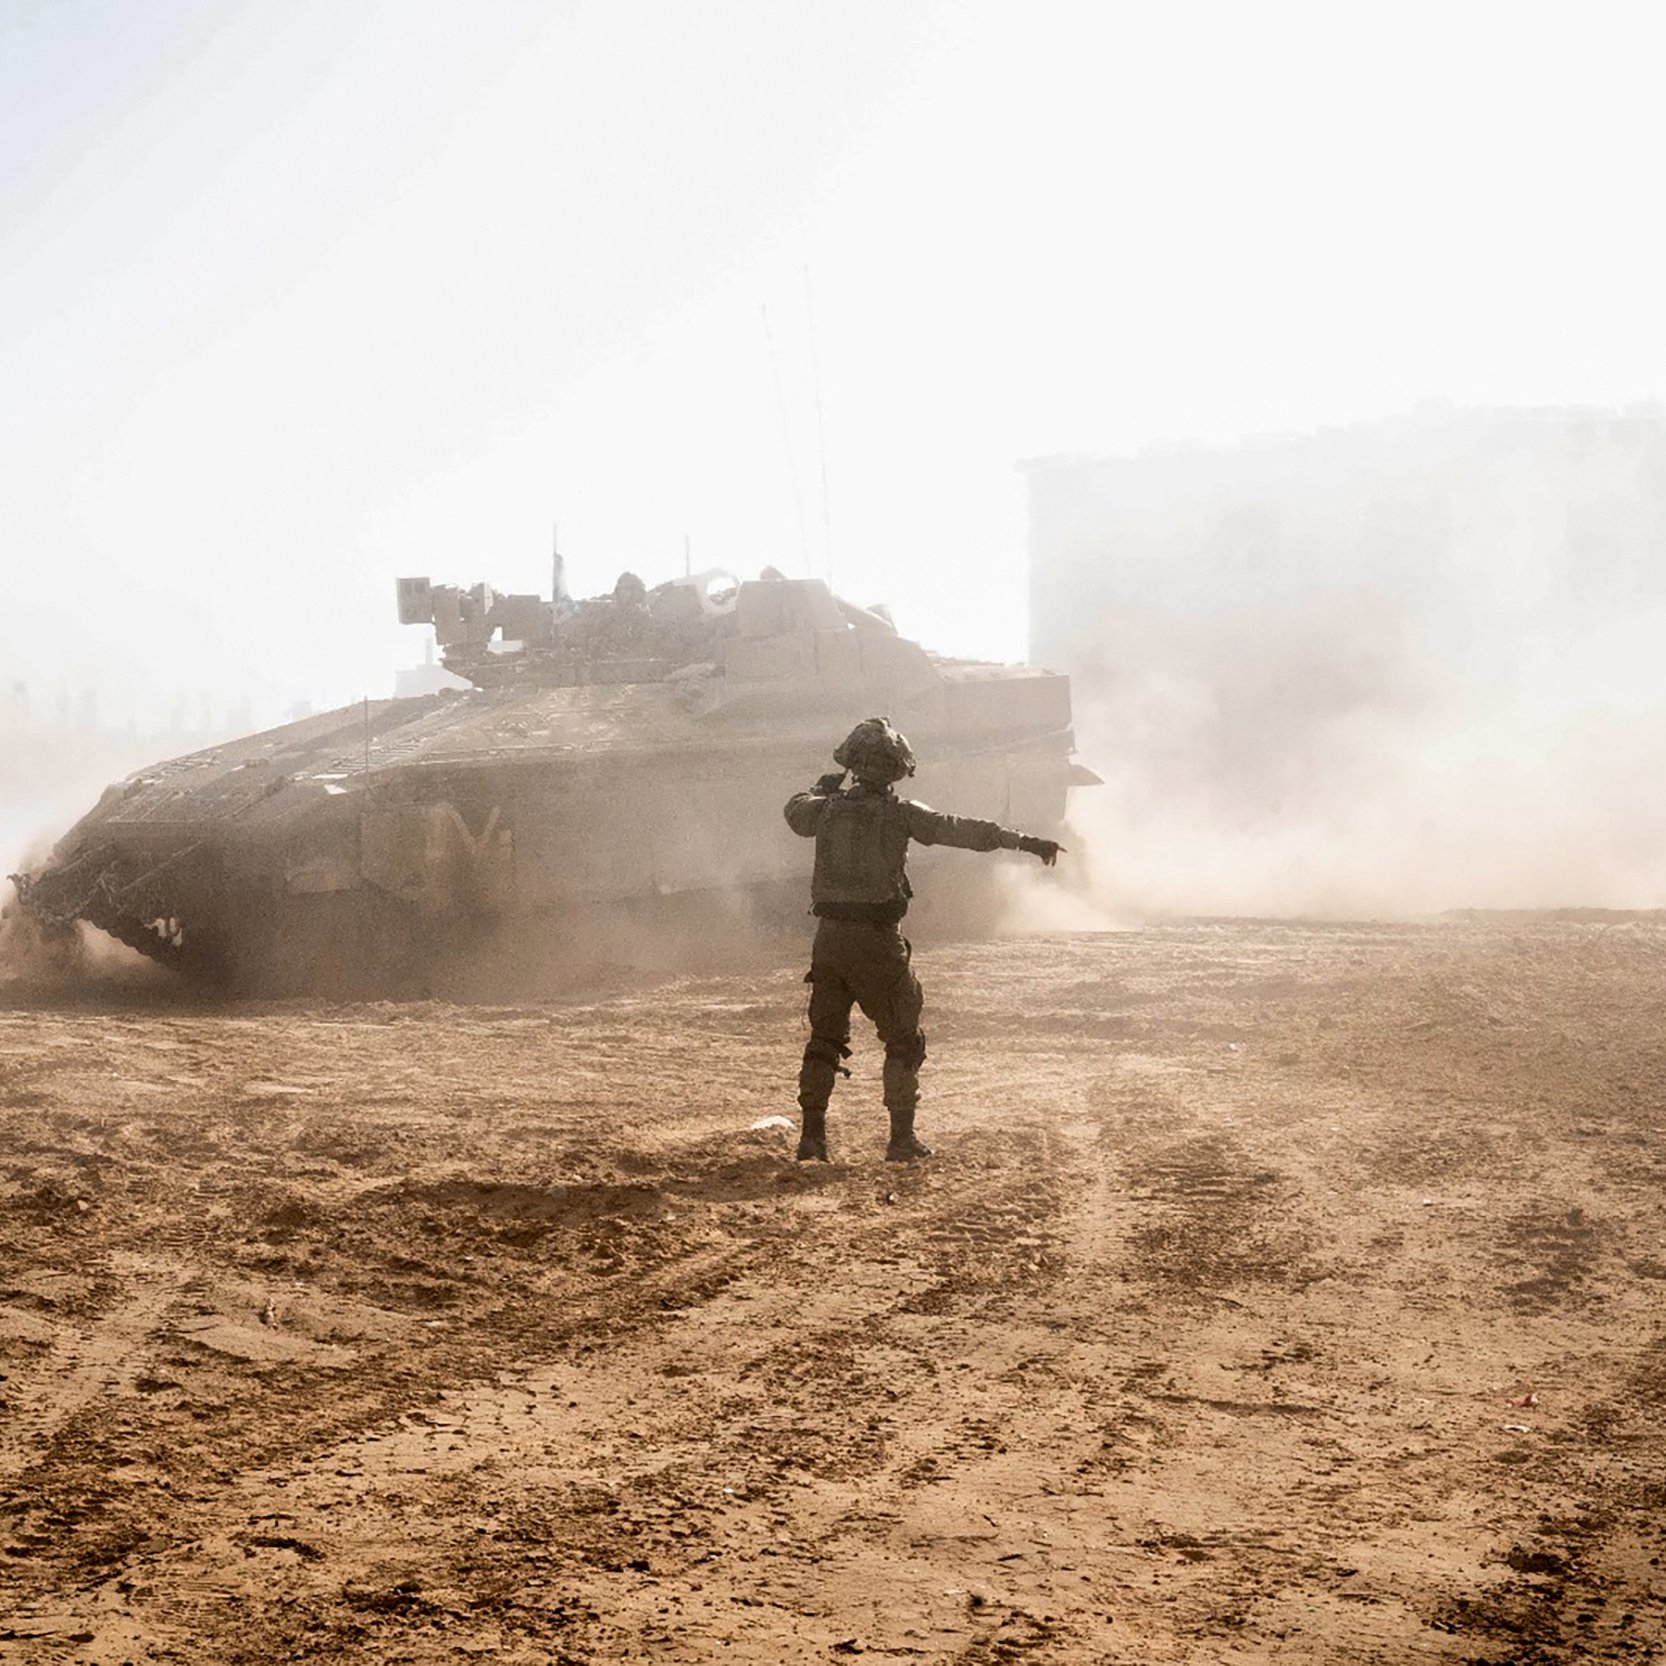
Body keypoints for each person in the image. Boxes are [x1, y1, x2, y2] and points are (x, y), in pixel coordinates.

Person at [783, 717, 1064, 1163]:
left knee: (823, 1040)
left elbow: (795, 810)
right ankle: (901, 1140)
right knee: (904, 1039)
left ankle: (812, 1139)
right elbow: (958, 829)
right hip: (878, 944)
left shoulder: (824, 810)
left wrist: (822, 787)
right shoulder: (900, 813)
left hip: (830, 941)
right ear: (895, 769)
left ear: (853, 763)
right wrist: (1025, 842)